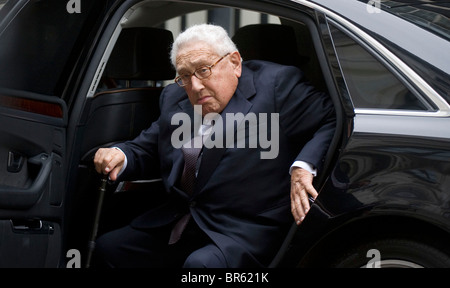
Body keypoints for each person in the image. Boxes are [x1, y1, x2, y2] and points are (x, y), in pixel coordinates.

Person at [93, 23, 336, 268]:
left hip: (245, 229)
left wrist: (303, 167)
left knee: (201, 267)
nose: (195, 86)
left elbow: (333, 119)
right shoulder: (175, 97)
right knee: (110, 248)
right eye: (185, 75)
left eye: (203, 70)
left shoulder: (276, 85)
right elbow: (149, 147)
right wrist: (120, 154)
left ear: (235, 63)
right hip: (184, 219)